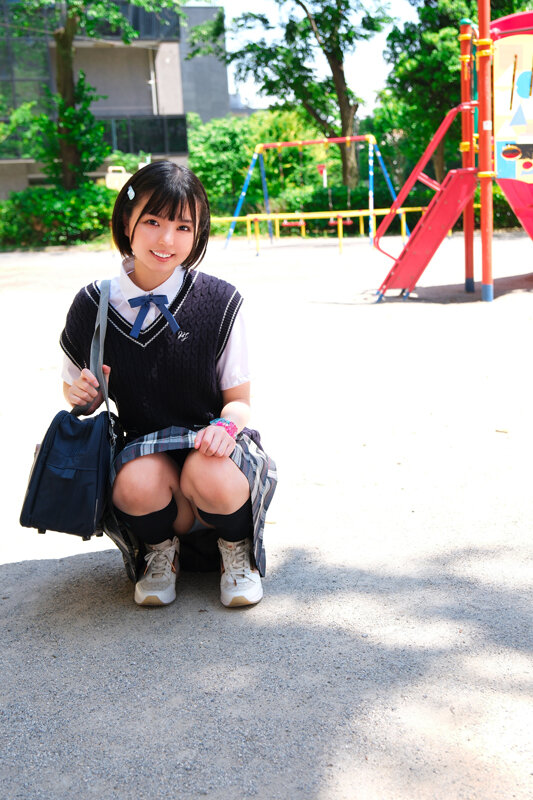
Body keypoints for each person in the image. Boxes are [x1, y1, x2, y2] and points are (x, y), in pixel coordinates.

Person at [60, 160, 277, 608]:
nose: (166, 240)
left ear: (198, 233)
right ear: (127, 221)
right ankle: (161, 552)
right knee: (134, 480)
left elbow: (239, 401)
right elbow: (74, 390)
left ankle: (236, 550)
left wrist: (225, 428)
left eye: (183, 227)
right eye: (153, 222)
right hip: (147, 462)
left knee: (207, 468)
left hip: (214, 453)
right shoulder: (93, 303)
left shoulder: (220, 300)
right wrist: (84, 395)